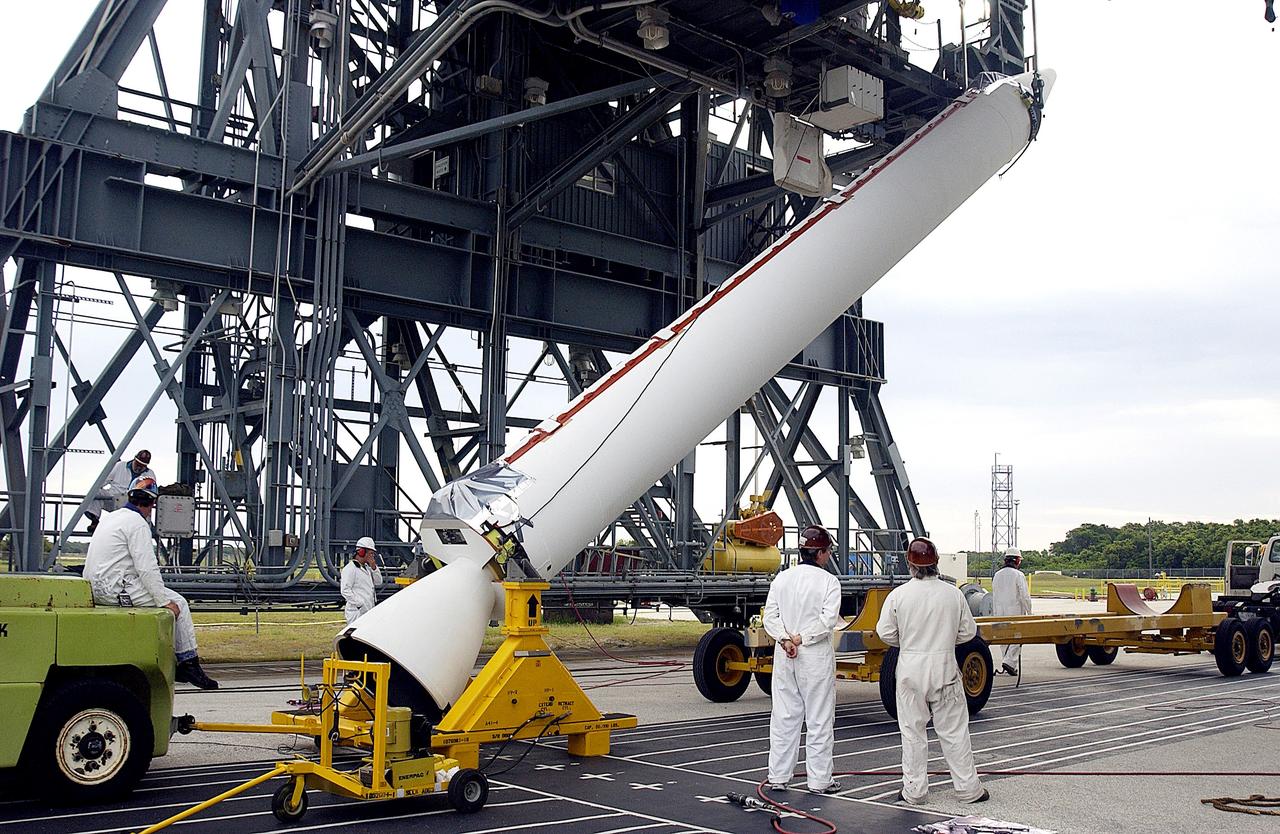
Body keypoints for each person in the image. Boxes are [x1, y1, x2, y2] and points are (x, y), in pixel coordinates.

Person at [875, 536, 987, 805]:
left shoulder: (898, 595)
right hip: (944, 667)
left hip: (910, 670)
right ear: (937, 562)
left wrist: (909, 642)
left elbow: (885, 632)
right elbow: (968, 632)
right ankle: (969, 790)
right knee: (954, 731)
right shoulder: (953, 594)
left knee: (913, 732)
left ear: (909, 564)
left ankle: (914, 791)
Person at [83, 475, 218, 689]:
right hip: (117, 589)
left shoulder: (111, 518)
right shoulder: (138, 524)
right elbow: (147, 568)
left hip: (96, 588)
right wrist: (163, 601)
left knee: (166, 599)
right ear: (152, 504)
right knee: (179, 603)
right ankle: (188, 664)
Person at [763, 525, 843, 795]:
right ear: (820, 552)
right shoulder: (829, 582)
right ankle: (819, 781)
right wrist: (801, 639)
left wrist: (785, 640)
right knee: (819, 718)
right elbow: (827, 621)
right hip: (814, 657)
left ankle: (778, 776)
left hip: (785, 656)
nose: (829, 555)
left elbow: (769, 618)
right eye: (828, 550)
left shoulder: (782, 579)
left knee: (784, 716)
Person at [87, 450, 155, 535]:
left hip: (134, 504)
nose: (139, 467)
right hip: (113, 499)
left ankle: (143, 530)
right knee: (96, 491)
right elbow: (102, 481)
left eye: (142, 466)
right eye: (138, 464)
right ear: (134, 460)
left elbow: (152, 493)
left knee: (145, 504)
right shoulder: (120, 466)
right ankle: (94, 521)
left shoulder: (149, 474)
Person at [992, 547, 1032, 676]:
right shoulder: (1018, 575)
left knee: (1003, 638)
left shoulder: (997, 575)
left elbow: (994, 595)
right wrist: (1029, 612)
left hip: (999, 612)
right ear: (1017, 560)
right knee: (1018, 636)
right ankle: (1009, 662)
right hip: (1015, 612)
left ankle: (1008, 662)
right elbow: (1024, 596)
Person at [341, 536, 383, 624]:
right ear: (361, 552)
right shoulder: (350, 569)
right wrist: (360, 604)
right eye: (370, 553)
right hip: (356, 612)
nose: (372, 556)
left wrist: (374, 568)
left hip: (368, 609)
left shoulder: (368, 568)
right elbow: (345, 590)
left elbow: (379, 582)